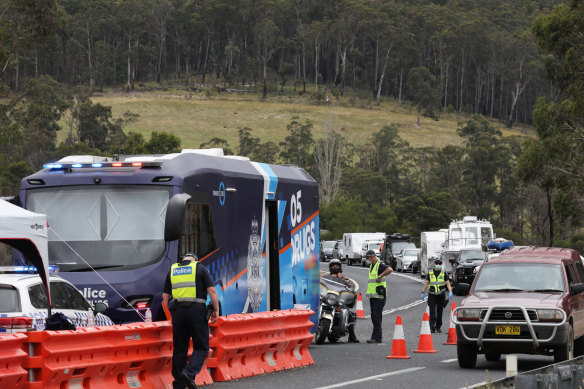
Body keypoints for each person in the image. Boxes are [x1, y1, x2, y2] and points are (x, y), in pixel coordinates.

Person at [162, 253, 220, 389]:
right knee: (202, 346)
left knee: (180, 349)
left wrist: (171, 313)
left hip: (178, 313)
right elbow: (211, 290)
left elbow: (165, 296)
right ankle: (189, 372)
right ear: (194, 260)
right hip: (196, 311)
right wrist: (216, 310)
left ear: (183, 260)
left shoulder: (173, 270)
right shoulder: (199, 268)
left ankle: (179, 385)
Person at [328, 259, 359, 343]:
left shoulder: (344, 278)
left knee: (350, 314)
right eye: (333, 266)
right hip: (327, 300)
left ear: (340, 267)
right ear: (330, 267)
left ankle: (352, 336)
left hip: (339, 301)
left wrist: (341, 278)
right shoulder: (326, 278)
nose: (335, 267)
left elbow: (350, 287)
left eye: (336, 266)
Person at [365, 250, 392, 343]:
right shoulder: (371, 266)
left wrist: (380, 276)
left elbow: (390, 269)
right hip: (373, 296)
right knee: (374, 316)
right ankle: (377, 336)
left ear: (372, 257)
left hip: (379, 296)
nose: (367, 259)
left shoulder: (379, 265)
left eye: (368, 258)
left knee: (376, 317)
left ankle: (376, 337)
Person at [421, 258, 453, 333]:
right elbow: (427, 283)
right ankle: (432, 327)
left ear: (441, 264)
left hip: (441, 295)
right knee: (432, 311)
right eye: (437, 263)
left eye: (439, 264)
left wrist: (450, 291)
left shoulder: (443, 273)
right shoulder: (430, 273)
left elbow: (448, 283)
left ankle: (438, 326)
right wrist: (423, 292)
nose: (438, 265)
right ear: (434, 264)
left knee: (440, 311)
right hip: (432, 295)